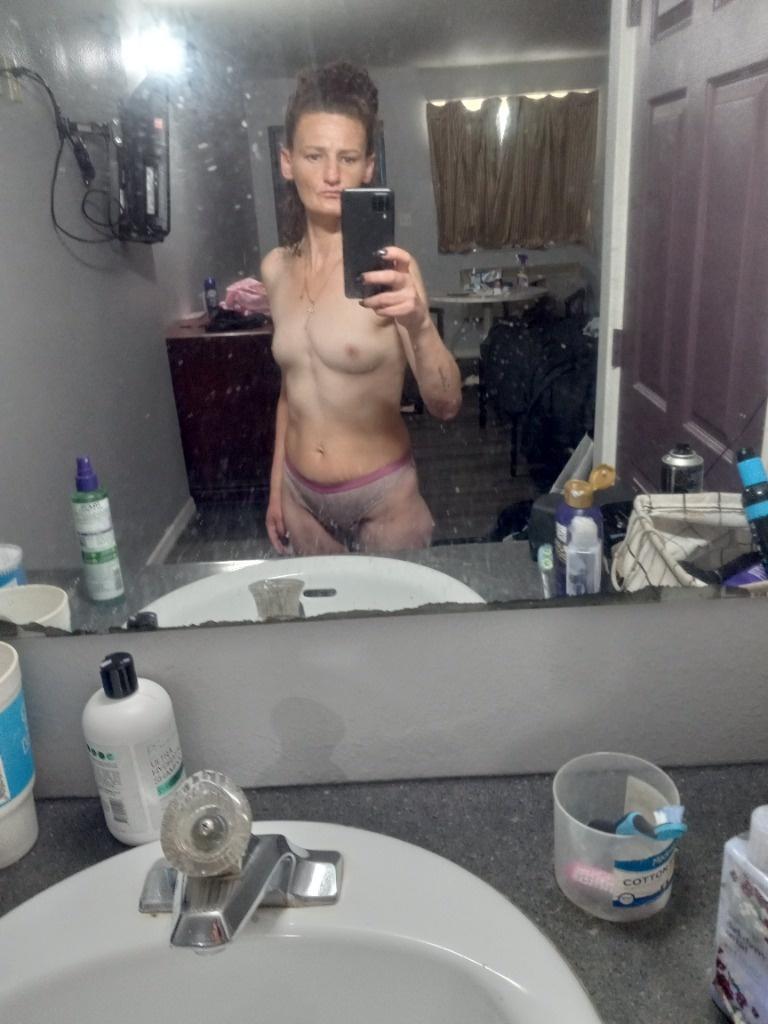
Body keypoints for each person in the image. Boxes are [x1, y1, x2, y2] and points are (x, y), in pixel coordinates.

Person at [262, 61, 461, 556]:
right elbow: (291, 390)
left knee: (395, 610)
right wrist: (276, 487)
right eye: (314, 156)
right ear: (287, 162)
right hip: (300, 495)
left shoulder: (392, 270)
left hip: (383, 495)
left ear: (368, 167)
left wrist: (419, 325)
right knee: (323, 611)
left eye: (347, 158)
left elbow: (446, 406)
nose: (331, 175)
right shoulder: (275, 269)